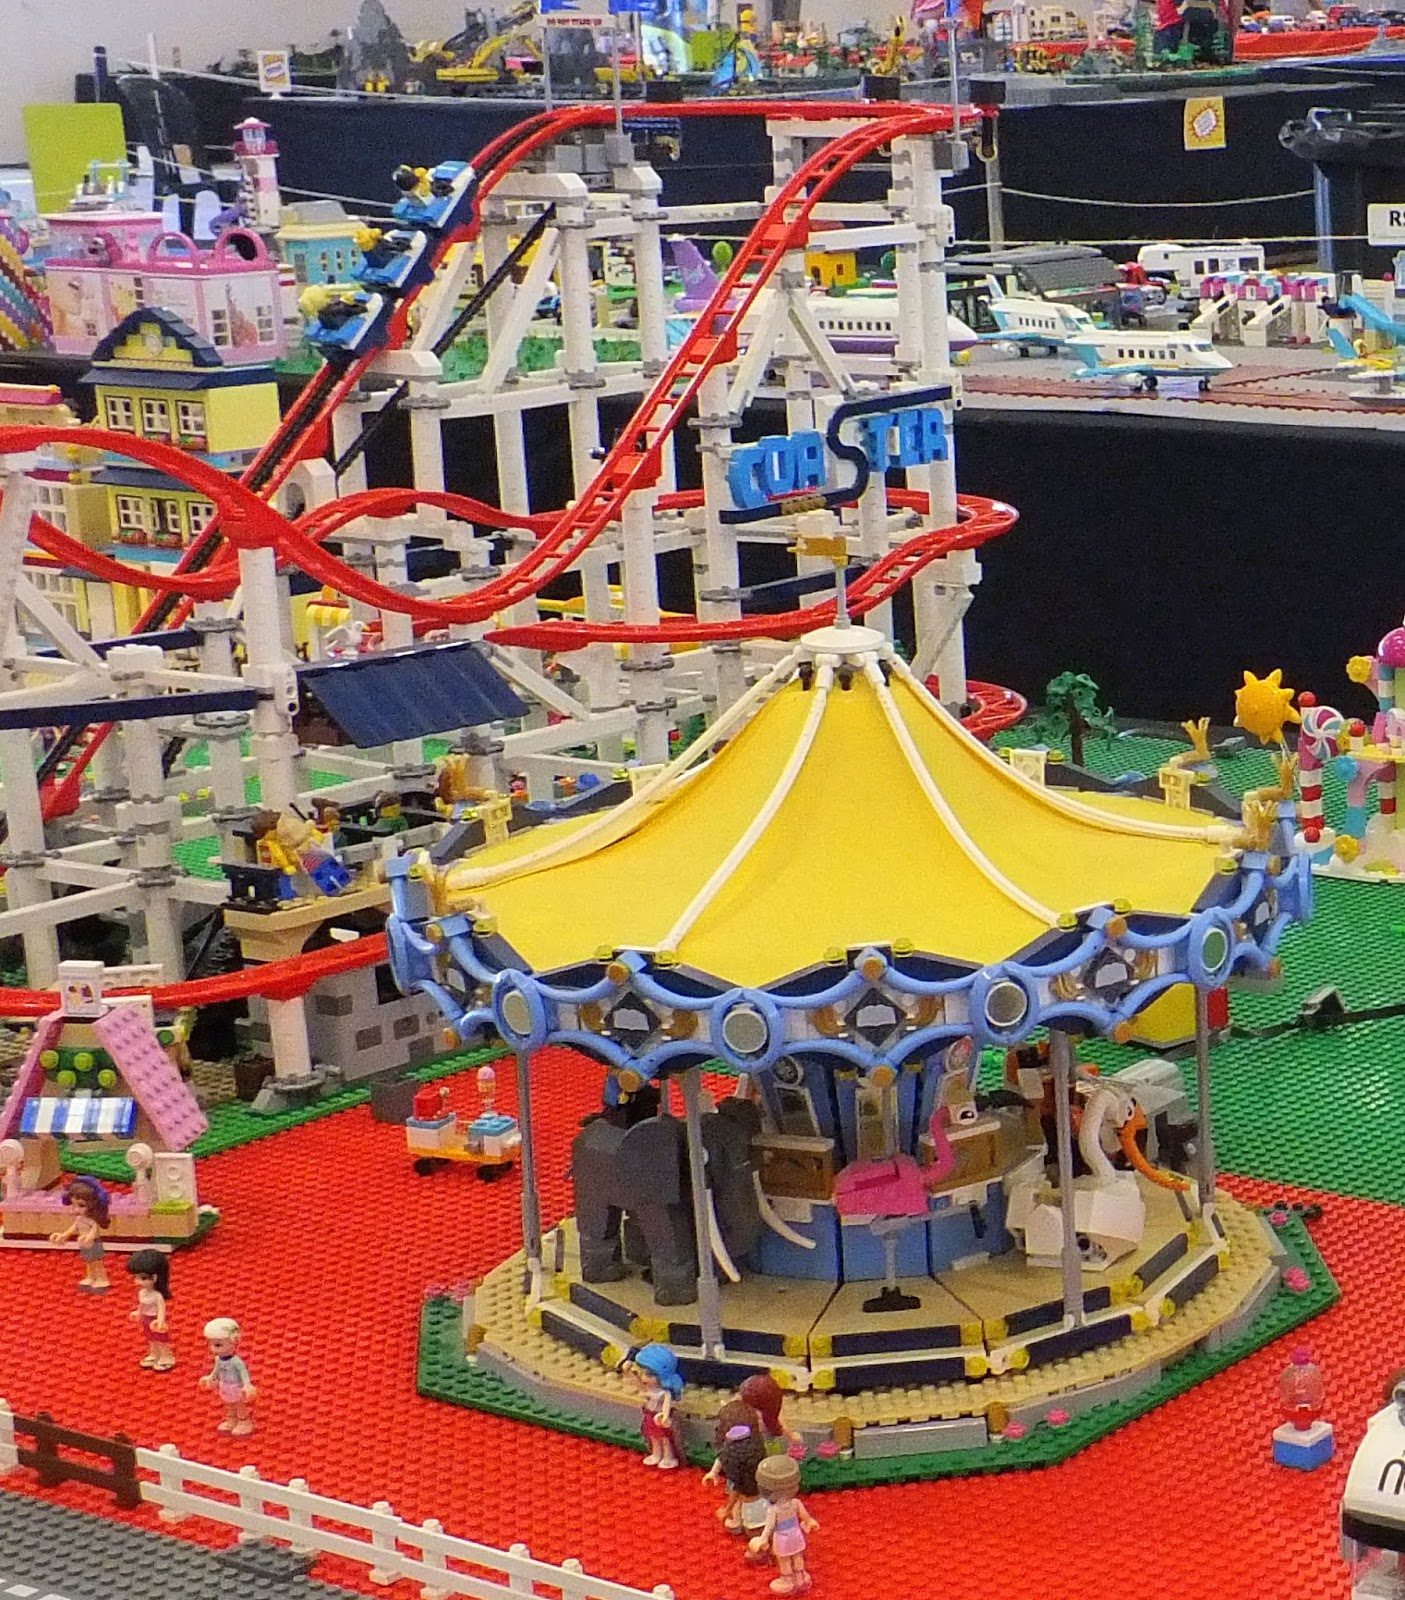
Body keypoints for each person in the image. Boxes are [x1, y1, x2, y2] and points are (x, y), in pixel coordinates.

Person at [748, 1454, 819, 1596]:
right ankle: (801, 1577)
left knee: (784, 1559)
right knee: (797, 1555)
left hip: (782, 1537)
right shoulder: (796, 1503)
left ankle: (788, 1580)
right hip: (796, 1534)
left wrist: (762, 1539)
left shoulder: (773, 1510)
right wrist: (810, 1522)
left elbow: (768, 1528)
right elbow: (806, 1517)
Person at [703, 1399, 767, 1533]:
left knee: (739, 1499)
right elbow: (722, 1456)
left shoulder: (736, 1454)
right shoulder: (753, 1444)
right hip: (749, 1483)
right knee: (740, 1498)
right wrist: (713, 1472)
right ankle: (737, 1521)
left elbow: (736, 1489)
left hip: (746, 1487)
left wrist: (727, 1509)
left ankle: (738, 1522)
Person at [619, 1343, 684, 1468]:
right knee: (653, 1437)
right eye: (642, 1373)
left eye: (649, 1374)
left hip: (659, 1418)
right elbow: (638, 1385)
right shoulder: (649, 1389)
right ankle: (656, 1454)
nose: (644, 1377)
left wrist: (665, 1416)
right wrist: (628, 1371)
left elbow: (666, 1405)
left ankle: (668, 1457)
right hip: (650, 1416)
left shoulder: (664, 1392)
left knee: (665, 1439)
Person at [49, 1177, 110, 1293]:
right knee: (88, 1261)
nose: (76, 1209)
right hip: (83, 1243)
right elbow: (72, 1229)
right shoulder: (79, 1219)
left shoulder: (92, 1220)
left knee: (97, 1261)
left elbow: (94, 1230)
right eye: (74, 1205)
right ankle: (91, 1277)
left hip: (93, 1243)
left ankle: (102, 1278)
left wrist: (89, 1237)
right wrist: (63, 1235)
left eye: (81, 1205)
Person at [199, 1317, 257, 1437]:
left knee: (239, 1404)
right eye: (210, 1344)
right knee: (229, 1404)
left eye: (218, 1344)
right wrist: (210, 1378)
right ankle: (231, 1420)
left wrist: (247, 1384)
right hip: (224, 1385)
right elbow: (216, 1371)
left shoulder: (236, 1361)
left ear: (233, 1341)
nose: (212, 1348)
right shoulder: (218, 1359)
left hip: (235, 1386)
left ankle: (244, 1421)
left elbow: (243, 1373)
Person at [127, 1250, 175, 1371]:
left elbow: (161, 1309)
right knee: (151, 1338)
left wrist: (160, 1321)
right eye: (136, 1277)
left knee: (161, 1339)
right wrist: (137, 1312)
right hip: (146, 1319)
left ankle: (166, 1356)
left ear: (155, 1277)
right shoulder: (142, 1293)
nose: (138, 1281)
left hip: (155, 1319)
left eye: (143, 1278)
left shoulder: (157, 1296)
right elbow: (141, 1305)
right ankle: (154, 1354)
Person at [739, 1373, 805, 1455]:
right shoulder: (762, 1415)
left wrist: (791, 1437)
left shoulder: (766, 1414)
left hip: (766, 1446)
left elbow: (779, 1421)